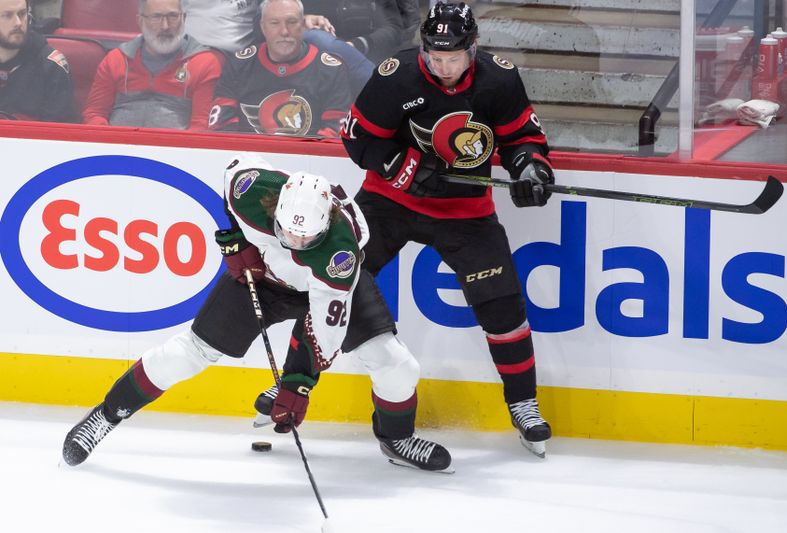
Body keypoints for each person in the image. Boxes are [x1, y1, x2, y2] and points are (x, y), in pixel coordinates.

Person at [62, 153, 452, 473]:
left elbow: (323, 333)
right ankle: (106, 415)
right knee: (188, 353)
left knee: (396, 364)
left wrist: (298, 384)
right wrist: (236, 239)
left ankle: (396, 438)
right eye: (289, 232)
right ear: (276, 207)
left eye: (307, 237)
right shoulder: (252, 187)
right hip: (263, 279)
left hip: (325, 289)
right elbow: (229, 177)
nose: (296, 241)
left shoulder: (339, 253)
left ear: (327, 223)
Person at [339, 1, 554, 456]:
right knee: (335, 281)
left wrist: (531, 168)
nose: (443, 66)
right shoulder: (397, 73)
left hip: (465, 211)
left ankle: (523, 404)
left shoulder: (499, 78)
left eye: (452, 57)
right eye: (435, 56)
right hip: (390, 203)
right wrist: (401, 168)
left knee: (502, 306)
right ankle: (296, 383)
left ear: (472, 48)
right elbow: (357, 137)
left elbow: (522, 138)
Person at [208, 0, 351, 137]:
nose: (284, 31)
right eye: (274, 23)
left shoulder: (331, 70)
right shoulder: (239, 65)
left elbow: (335, 133)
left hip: (308, 159)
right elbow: (221, 126)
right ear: (263, 27)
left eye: (292, 22)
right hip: (248, 159)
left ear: (302, 25)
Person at [82, 0, 223, 130]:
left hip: (175, 153)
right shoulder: (115, 60)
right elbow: (95, 113)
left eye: (173, 16)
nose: (165, 26)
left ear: (184, 18)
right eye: (156, 17)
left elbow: (201, 125)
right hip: (116, 150)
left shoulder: (205, 63)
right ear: (140, 21)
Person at [0, 0, 74, 122]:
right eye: (7, 15)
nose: (18, 23)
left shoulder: (51, 65)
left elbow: (57, 133)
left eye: (22, 14)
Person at [303, 0, 405, 64]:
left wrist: (358, 44)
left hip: (371, 57)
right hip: (323, 60)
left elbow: (394, 30)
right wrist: (304, 19)